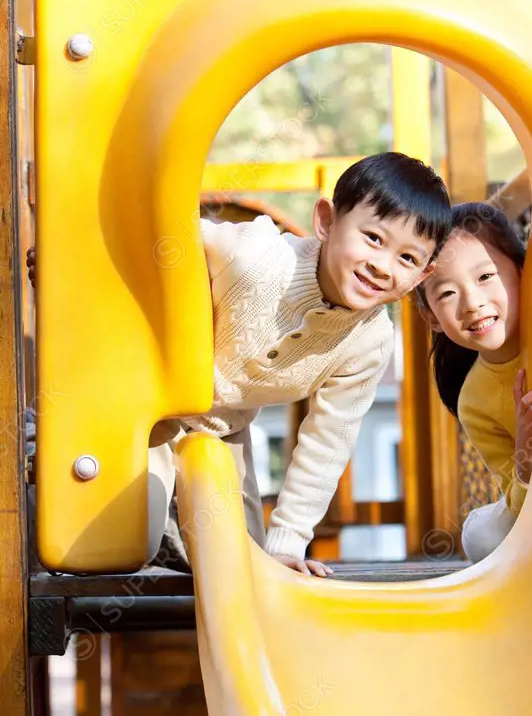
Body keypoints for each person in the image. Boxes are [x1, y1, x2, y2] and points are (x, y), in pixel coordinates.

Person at [28, 152, 452, 575]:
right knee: (128, 538)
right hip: (145, 409)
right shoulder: (254, 258)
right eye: (374, 239)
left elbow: (328, 442)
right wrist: (75, 263)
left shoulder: (369, 343)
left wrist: (289, 542)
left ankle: (180, 532)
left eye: (408, 259)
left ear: (422, 275)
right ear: (326, 221)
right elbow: (158, 244)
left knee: (245, 565)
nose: (382, 266)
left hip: (222, 430)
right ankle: (49, 453)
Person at [416, 202, 532, 562]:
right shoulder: (475, 399)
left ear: (525, 270)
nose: (472, 303)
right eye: (447, 293)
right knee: (482, 537)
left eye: (485, 277)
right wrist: (528, 450)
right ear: (431, 317)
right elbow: (522, 506)